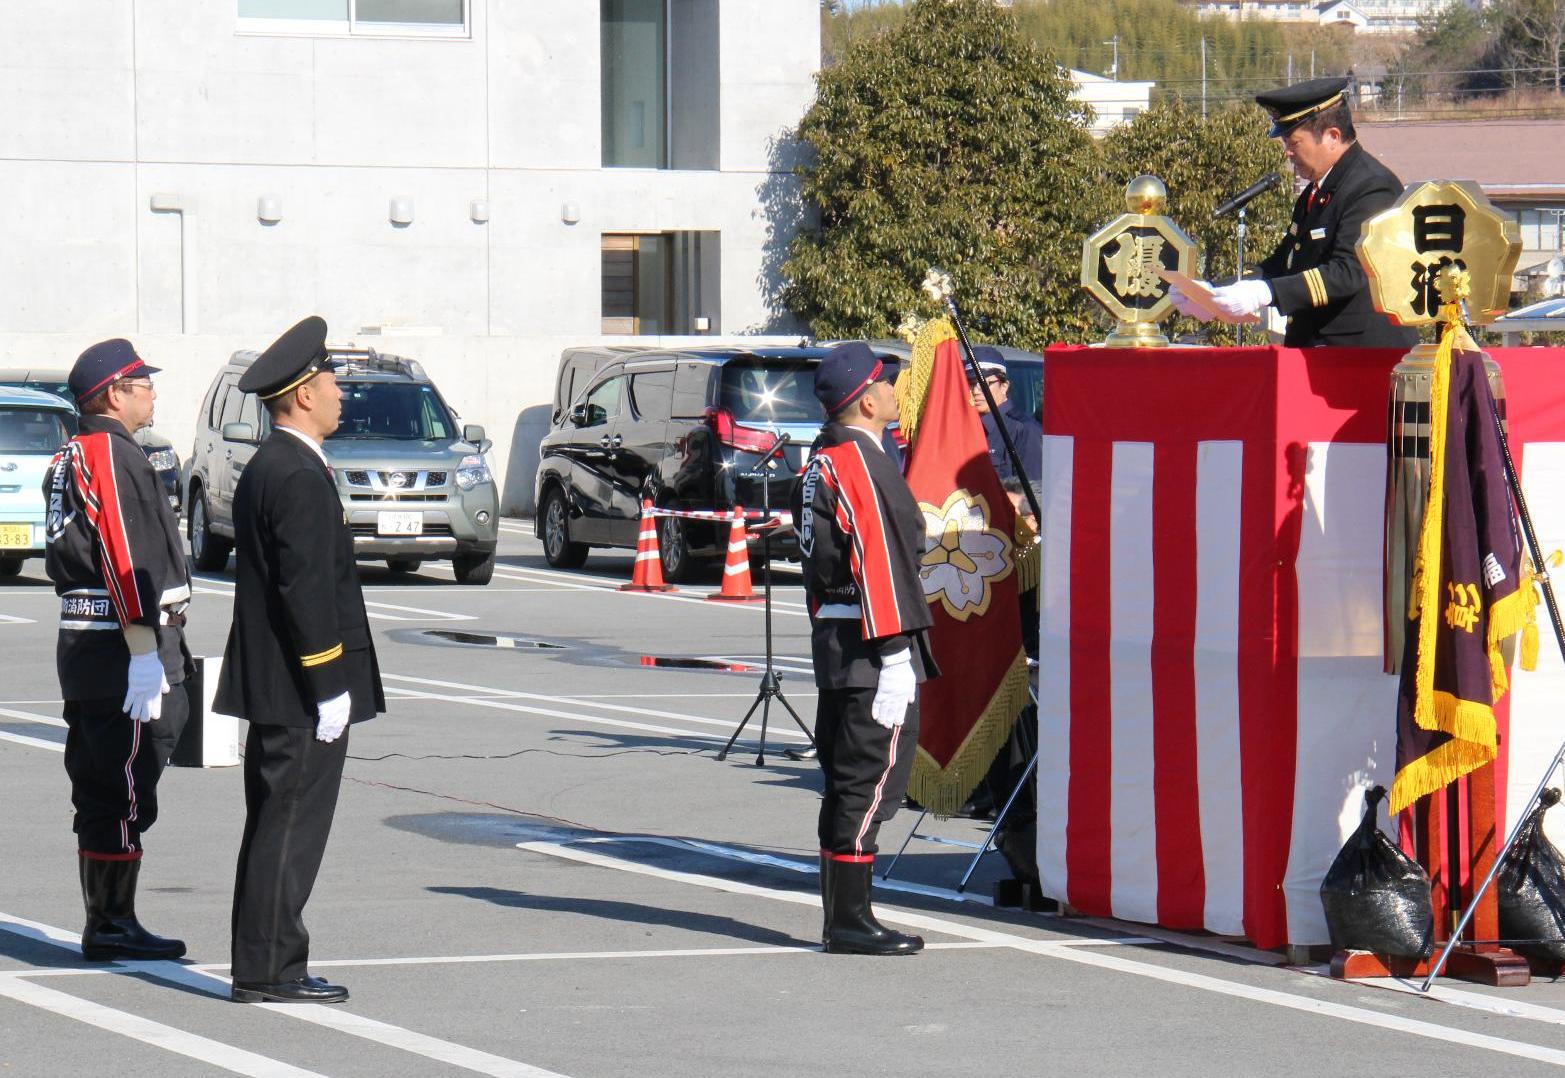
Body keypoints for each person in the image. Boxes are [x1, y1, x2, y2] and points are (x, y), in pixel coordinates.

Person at [216, 316, 384, 1004]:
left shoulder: (274, 465)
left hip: (282, 684)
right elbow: (305, 590)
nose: (342, 391)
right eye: (332, 381)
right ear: (303, 395)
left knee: (278, 822)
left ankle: (272, 959)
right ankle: (268, 968)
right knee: (288, 826)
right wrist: (328, 683)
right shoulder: (296, 474)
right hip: (298, 687)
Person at [43, 339, 192, 961]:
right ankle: (110, 921)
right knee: (122, 787)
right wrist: (142, 648)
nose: (152, 392)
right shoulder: (108, 451)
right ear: (113, 393)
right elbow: (125, 556)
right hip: (120, 648)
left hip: (93, 647)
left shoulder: (76, 451)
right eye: (142, 383)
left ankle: (109, 918)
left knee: (104, 785)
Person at [792, 341, 938, 956]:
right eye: (887, 382)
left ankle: (844, 917)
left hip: (843, 643)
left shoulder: (828, 458)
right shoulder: (856, 462)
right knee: (870, 783)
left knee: (849, 782)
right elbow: (876, 563)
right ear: (867, 399)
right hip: (871, 648)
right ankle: (850, 920)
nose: (895, 390)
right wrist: (897, 655)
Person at [1171, 76, 1419, 350]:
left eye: (1294, 143)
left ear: (1332, 137)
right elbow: (1283, 263)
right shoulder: (1318, 190)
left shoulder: (1372, 187)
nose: (1287, 153)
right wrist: (1215, 290)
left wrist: (1268, 292)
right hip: (1318, 354)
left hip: (1359, 356)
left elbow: (1349, 271)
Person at [968, 347, 1043, 485]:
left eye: (984, 384)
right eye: (971, 384)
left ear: (1004, 386)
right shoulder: (966, 429)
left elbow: (1032, 497)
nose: (976, 391)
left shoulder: (1024, 431)